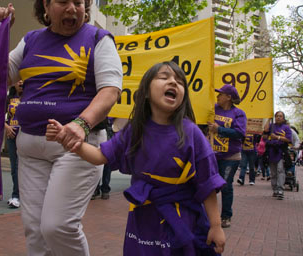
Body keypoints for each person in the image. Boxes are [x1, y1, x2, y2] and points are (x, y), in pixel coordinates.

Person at [0, 0, 123, 255]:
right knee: (36, 232)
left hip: (76, 147)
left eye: (78, 2)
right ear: (46, 7)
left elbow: (110, 90)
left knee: (58, 227)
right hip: (29, 149)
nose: (72, 8)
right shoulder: (30, 41)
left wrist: (81, 124)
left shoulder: (100, 38)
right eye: (63, 1)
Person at [47, 62, 226, 255]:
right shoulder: (134, 130)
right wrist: (70, 140)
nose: (173, 82)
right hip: (143, 217)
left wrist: (215, 226)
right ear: (146, 92)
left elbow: (207, 183)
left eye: (180, 81)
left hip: (184, 217)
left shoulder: (192, 133)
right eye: (164, 77)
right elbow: (99, 156)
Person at [208, 84, 246, 229]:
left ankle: (226, 216)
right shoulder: (213, 110)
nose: (217, 96)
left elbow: (240, 133)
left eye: (220, 94)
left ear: (229, 97)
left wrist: (219, 129)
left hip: (230, 157)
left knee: (225, 186)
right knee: (209, 186)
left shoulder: (239, 113)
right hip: (211, 155)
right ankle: (208, 215)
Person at [263, 111, 292, 200]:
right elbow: (265, 131)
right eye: (277, 116)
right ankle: (275, 189)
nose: (278, 118)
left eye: (280, 116)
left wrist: (278, 137)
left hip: (281, 152)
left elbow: (288, 139)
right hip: (271, 152)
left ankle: (280, 190)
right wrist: (268, 117)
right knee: (273, 173)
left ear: (283, 118)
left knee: (280, 170)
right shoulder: (271, 126)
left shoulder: (286, 128)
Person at [5, 80, 23, 208]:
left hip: (25, 135)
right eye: (18, 80)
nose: (21, 82)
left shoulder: (30, 96)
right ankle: (16, 195)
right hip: (11, 135)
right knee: (13, 167)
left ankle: (18, 195)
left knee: (22, 166)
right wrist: (6, 127)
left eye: (23, 79)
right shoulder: (9, 98)